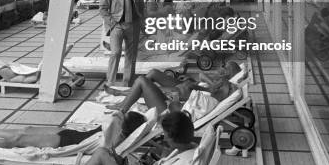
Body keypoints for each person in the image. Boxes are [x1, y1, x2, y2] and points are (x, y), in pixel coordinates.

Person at [104, 62, 243, 115]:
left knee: (142, 82)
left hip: (169, 107)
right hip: (176, 94)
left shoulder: (214, 96)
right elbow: (199, 80)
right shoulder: (216, 89)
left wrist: (173, 99)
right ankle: (122, 101)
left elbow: (184, 107)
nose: (222, 68)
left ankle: (121, 105)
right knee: (151, 74)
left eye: (225, 67)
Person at [0, 112, 145, 149]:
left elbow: (106, 144)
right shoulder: (118, 128)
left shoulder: (117, 139)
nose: (121, 118)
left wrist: (117, 120)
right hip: (70, 132)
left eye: (124, 119)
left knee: (20, 138)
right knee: (28, 128)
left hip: (69, 142)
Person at [85, 111, 197, 165]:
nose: (165, 139)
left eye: (165, 135)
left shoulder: (182, 162)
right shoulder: (191, 147)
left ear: (173, 136)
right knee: (106, 153)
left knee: (101, 154)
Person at [100, 0, 145, 86]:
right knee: (115, 52)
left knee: (131, 56)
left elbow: (141, 7)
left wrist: (142, 23)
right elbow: (102, 8)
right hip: (117, 25)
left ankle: (128, 85)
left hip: (134, 25)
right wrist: (112, 23)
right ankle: (110, 83)